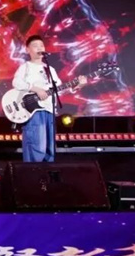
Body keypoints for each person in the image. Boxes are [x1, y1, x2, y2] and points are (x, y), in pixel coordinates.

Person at [11, 35, 85, 163]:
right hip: (33, 111)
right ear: (28, 50)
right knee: (36, 145)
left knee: (49, 147)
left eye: (41, 45)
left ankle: (47, 171)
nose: (39, 48)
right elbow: (16, 83)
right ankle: (33, 172)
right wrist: (35, 89)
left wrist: (76, 86)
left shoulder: (50, 69)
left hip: (49, 110)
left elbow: (58, 90)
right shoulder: (26, 67)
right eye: (35, 46)